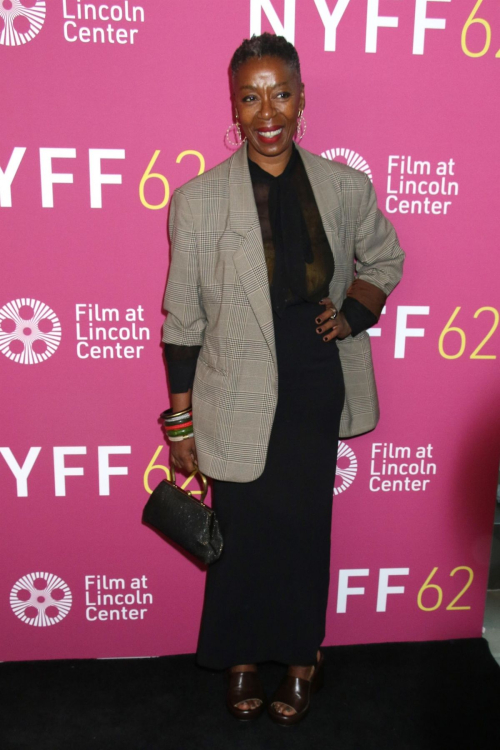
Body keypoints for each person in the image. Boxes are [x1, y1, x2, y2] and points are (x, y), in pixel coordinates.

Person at [161, 33, 404, 726]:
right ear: (233, 109)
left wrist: (355, 312)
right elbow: (182, 323)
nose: (267, 111)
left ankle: (300, 660)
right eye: (250, 96)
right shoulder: (197, 201)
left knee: (302, 533)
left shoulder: (344, 186)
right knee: (240, 539)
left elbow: (385, 259)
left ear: (302, 100)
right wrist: (179, 424)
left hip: (311, 385)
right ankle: (241, 658)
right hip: (230, 392)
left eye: (281, 93)